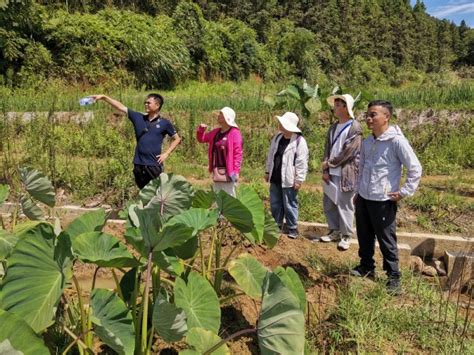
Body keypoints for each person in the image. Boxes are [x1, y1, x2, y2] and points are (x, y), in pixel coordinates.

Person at [352, 100, 422, 295]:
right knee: (364, 235)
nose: (369, 118)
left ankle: (393, 277)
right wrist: (358, 192)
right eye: (367, 114)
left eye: (373, 114)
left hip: (383, 200)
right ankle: (366, 267)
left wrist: (404, 191)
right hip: (365, 197)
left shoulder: (396, 141)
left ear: (386, 117)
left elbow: (415, 168)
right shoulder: (367, 142)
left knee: (386, 239)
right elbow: (362, 168)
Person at [90, 93, 181, 189]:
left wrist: (166, 153)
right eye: (145, 102)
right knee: (143, 193)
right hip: (138, 164)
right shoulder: (138, 117)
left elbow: (177, 138)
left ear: (157, 105)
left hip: (154, 164)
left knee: (156, 194)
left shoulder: (164, 123)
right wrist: (104, 97)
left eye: (148, 103)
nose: (146, 104)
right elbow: (121, 107)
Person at [318, 94, 362, 251]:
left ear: (345, 107)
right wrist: (325, 168)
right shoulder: (333, 127)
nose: (334, 107)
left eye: (337, 105)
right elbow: (327, 149)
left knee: (345, 203)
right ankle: (334, 230)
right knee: (329, 202)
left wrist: (330, 163)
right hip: (331, 171)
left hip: (346, 173)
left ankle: (346, 235)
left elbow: (349, 152)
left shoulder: (354, 127)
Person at [265, 112, 309, 239]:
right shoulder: (277, 138)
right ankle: (277, 225)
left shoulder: (299, 141)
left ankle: (292, 227)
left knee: (290, 203)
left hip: (289, 177)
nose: (279, 125)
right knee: (275, 202)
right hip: (276, 175)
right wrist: (268, 171)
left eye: (282, 123)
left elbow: (302, 162)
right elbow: (271, 155)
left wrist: (299, 179)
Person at [196, 107, 243, 197]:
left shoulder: (234, 133)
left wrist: (236, 171)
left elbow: (238, 153)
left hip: (229, 171)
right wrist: (201, 130)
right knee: (218, 198)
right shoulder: (216, 132)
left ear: (227, 117)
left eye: (221, 114)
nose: (219, 116)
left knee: (229, 199)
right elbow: (202, 139)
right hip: (217, 170)